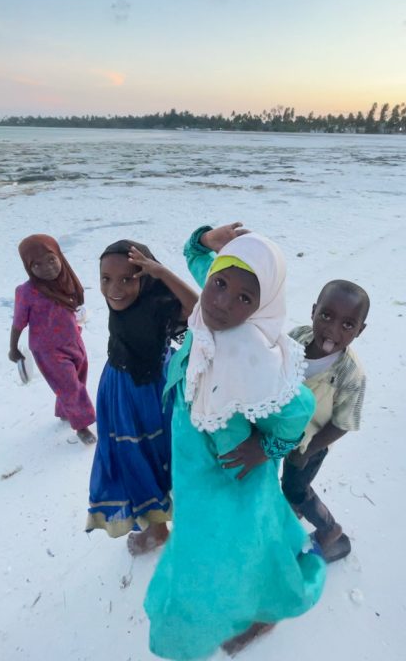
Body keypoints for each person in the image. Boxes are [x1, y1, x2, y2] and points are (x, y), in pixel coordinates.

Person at [144, 223, 326, 660]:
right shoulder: (205, 316)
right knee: (221, 545)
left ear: (262, 306)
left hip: (231, 477)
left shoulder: (251, 355)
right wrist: (209, 239)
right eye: (220, 284)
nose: (223, 302)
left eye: (245, 298)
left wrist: (264, 450)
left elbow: (297, 409)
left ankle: (261, 613)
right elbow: (199, 260)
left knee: (232, 549)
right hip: (194, 465)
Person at [86, 240, 197, 555]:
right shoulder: (122, 299)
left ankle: (161, 529)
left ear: (146, 278)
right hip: (119, 388)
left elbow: (198, 308)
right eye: (106, 279)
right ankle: (158, 525)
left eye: (127, 279)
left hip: (155, 388)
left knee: (159, 451)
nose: (114, 289)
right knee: (133, 457)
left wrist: (162, 273)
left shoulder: (159, 302)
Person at [282, 280, 369, 563]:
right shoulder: (296, 338)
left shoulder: (350, 373)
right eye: (326, 316)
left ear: (360, 331)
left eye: (347, 325)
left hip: (312, 444)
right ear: (313, 312)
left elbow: (344, 423)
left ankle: (330, 531)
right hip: (282, 429)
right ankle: (292, 508)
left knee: (295, 487)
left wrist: (307, 450)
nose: (332, 329)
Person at [9, 234, 96, 444]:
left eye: (51, 259)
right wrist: (13, 348)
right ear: (28, 267)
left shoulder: (67, 281)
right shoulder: (26, 292)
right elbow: (19, 322)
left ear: (59, 255)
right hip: (48, 350)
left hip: (74, 340)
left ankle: (66, 411)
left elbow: (76, 304)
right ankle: (82, 425)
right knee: (70, 386)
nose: (47, 267)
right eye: (36, 264)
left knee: (76, 379)